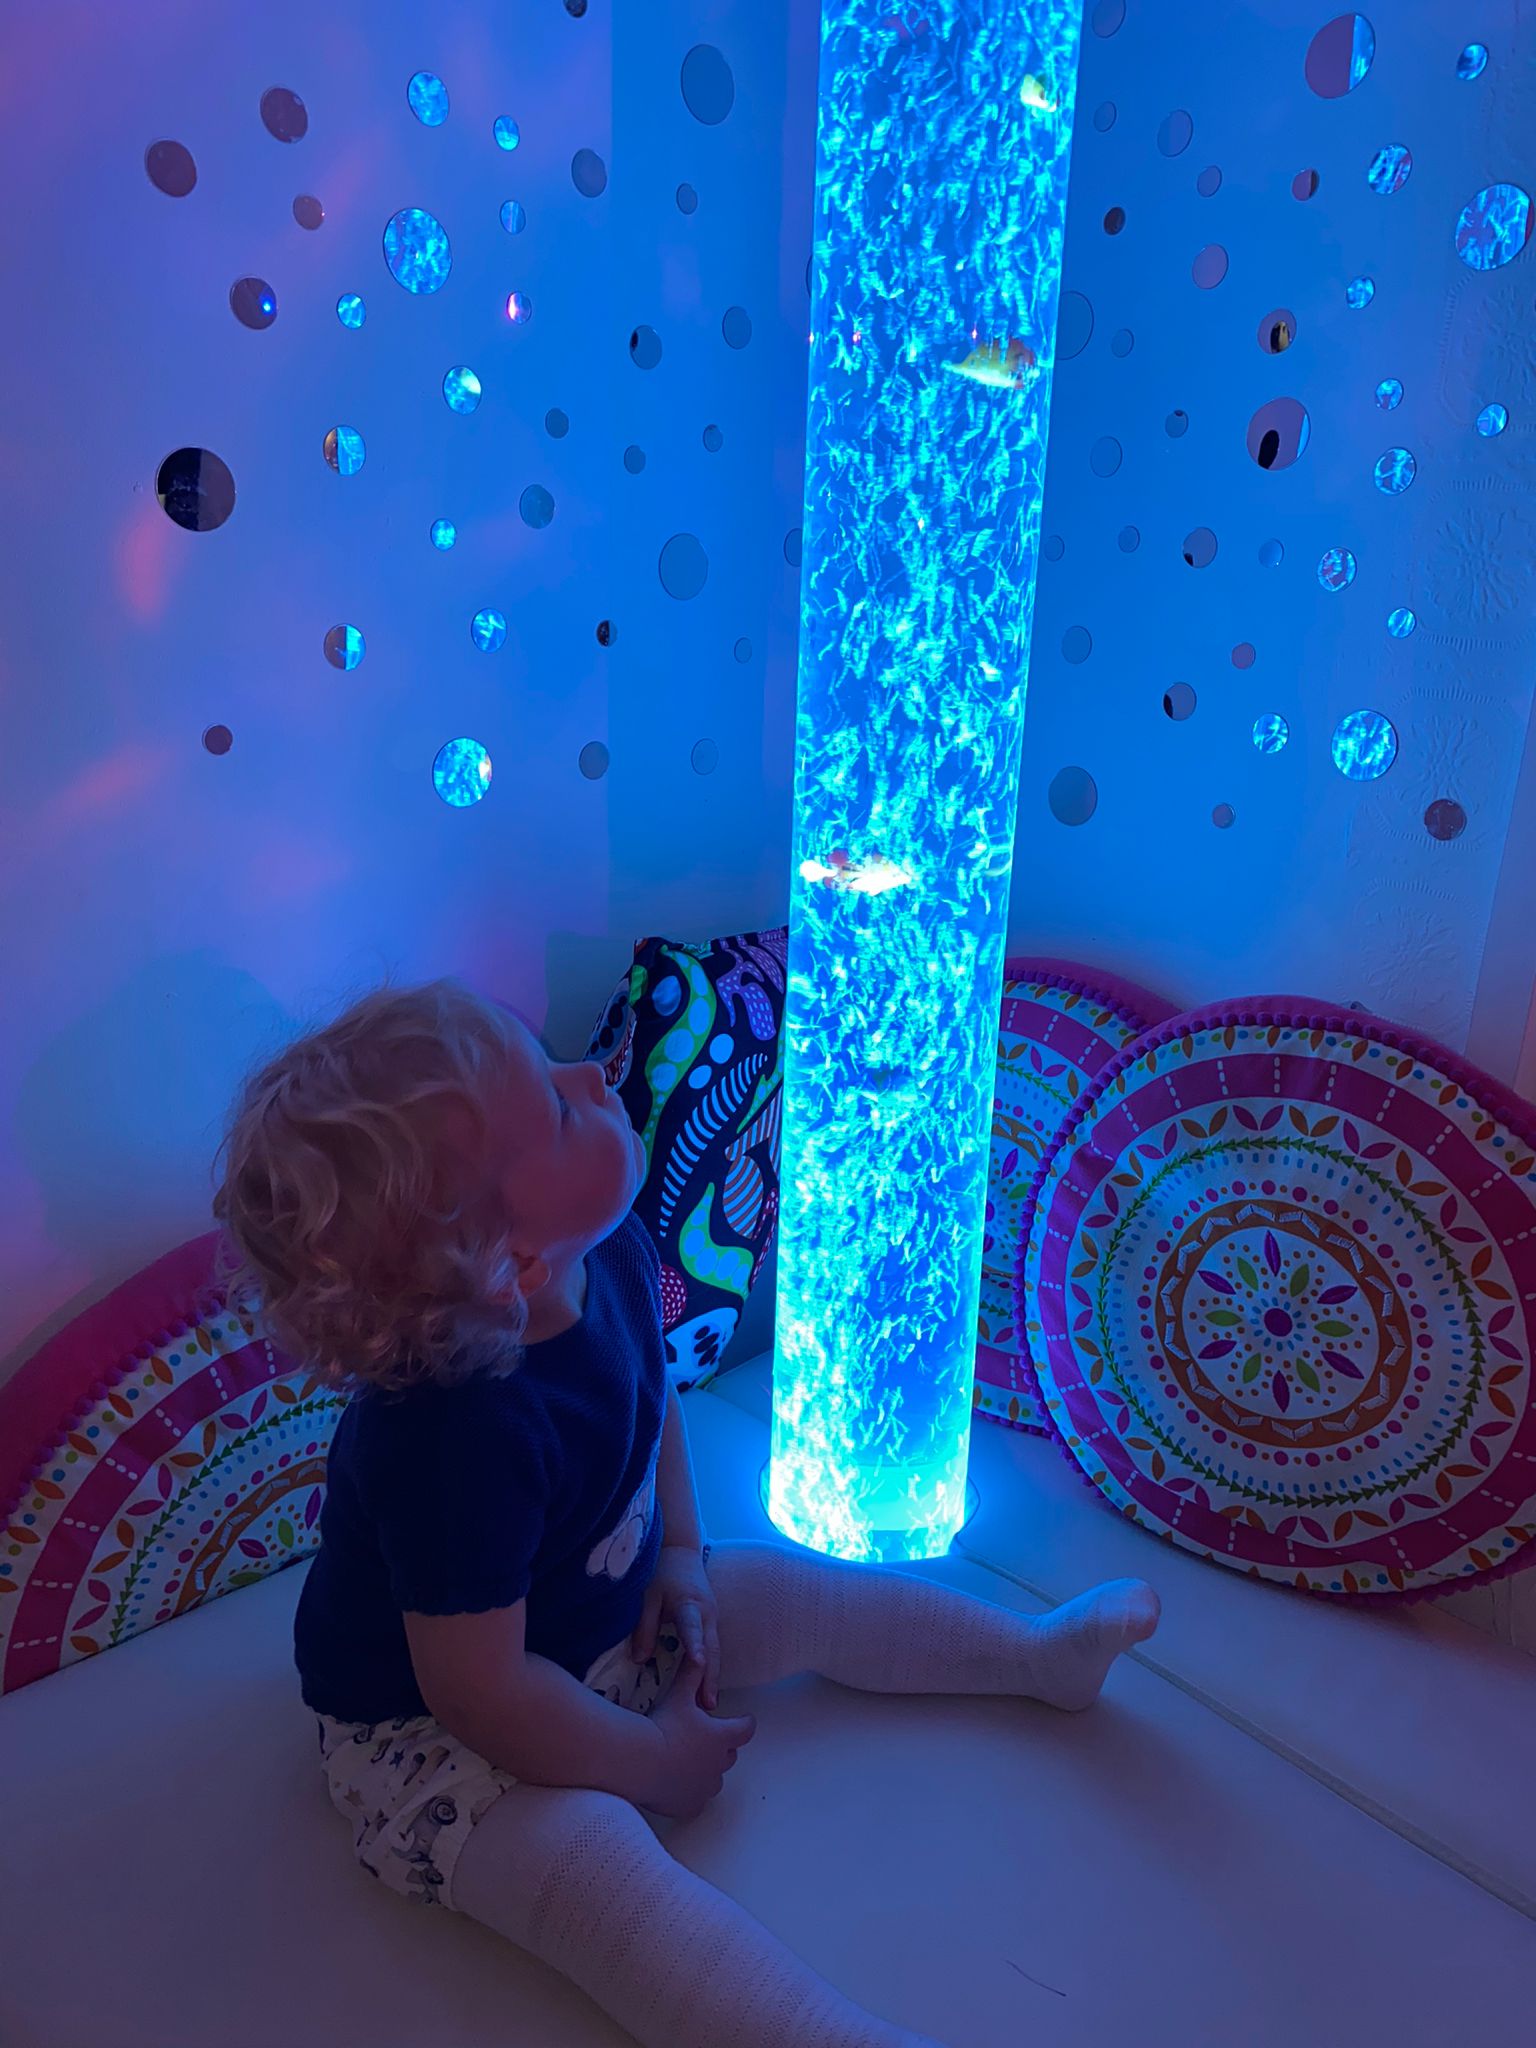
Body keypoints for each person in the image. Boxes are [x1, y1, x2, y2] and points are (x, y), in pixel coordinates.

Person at [214, 979, 1159, 2048]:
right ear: (510, 1262)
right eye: (558, 1106)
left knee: (791, 1587)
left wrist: (682, 1554)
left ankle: (1035, 1656)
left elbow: (648, 1396)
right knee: (591, 1864)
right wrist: (651, 1762)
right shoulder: (450, 1442)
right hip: (438, 1736)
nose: (592, 1073)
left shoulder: (605, 1249)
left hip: (598, 1615)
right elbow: (482, 1694)